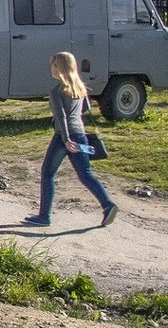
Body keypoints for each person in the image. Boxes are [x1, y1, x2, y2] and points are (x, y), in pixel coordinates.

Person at [24, 51, 119, 228]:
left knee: (47, 173)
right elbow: (84, 109)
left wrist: (66, 139)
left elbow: (61, 117)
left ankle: (44, 216)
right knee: (85, 174)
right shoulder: (80, 88)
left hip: (63, 136)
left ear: (59, 67)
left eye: (53, 65)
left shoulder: (56, 90)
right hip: (80, 133)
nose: (51, 68)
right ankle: (107, 204)